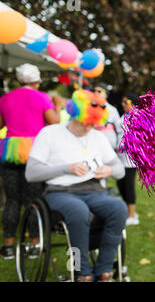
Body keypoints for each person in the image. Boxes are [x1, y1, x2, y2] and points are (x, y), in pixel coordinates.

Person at [25, 89, 127, 282]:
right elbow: (31, 173)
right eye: (85, 123)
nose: (89, 128)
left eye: (93, 124)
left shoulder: (97, 136)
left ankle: (104, 270)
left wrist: (109, 170)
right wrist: (66, 168)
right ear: (74, 115)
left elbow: (119, 169)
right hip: (59, 191)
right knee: (78, 210)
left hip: (93, 189)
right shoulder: (50, 133)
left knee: (119, 208)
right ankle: (82, 271)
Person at [0, 63, 62, 260]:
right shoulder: (42, 97)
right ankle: (34, 245)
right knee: (33, 199)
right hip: (35, 151)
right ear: (36, 81)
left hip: (10, 151)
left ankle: (8, 246)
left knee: (11, 199)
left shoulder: (5, 98)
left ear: (19, 80)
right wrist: (58, 106)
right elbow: (54, 123)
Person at [117, 93, 140, 226]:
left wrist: (128, 144)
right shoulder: (124, 115)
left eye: (125, 102)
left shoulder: (136, 116)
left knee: (128, 186)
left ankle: (132, 215)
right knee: (121, 184)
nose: (123, 104)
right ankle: (128, 211)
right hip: (121, 158)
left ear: (132, 103)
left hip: (130, 160)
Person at [92, 83, 122, 151]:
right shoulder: (89, 107)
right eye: (94, 91)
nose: (96, 93)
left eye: (99, 91)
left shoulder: (112, 110)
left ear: (106, 94)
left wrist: (119, 145)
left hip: (109, 143)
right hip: (93, 143)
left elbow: (119, 129)